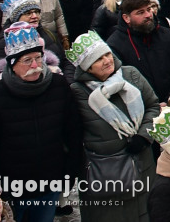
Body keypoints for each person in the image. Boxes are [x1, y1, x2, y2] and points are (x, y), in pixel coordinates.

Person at [0, 22, 83, 222]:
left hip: (50, 183)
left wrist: (70, 170)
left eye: (38, 58)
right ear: (12, 64)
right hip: (13, 188)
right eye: (27, 60)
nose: (35, 66)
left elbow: (73, 131)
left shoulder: (58, 86)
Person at [68, 30, 160, 222]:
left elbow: (153, 106)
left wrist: (144, 135)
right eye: (98, 59)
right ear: (87, 67)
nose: (107, 60)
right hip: (104, 174)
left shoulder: (130, 75)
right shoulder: (77, 92)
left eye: (107, 54)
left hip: (142, 165)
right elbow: (72, 133)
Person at [106, 0, 170, 104]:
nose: (148, 15)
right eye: (140, 12)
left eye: (149, 9)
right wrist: (151, 106)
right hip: (141, 108)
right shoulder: (115, 44)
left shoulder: (167, 35)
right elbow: (120, 82)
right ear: (126, 18)